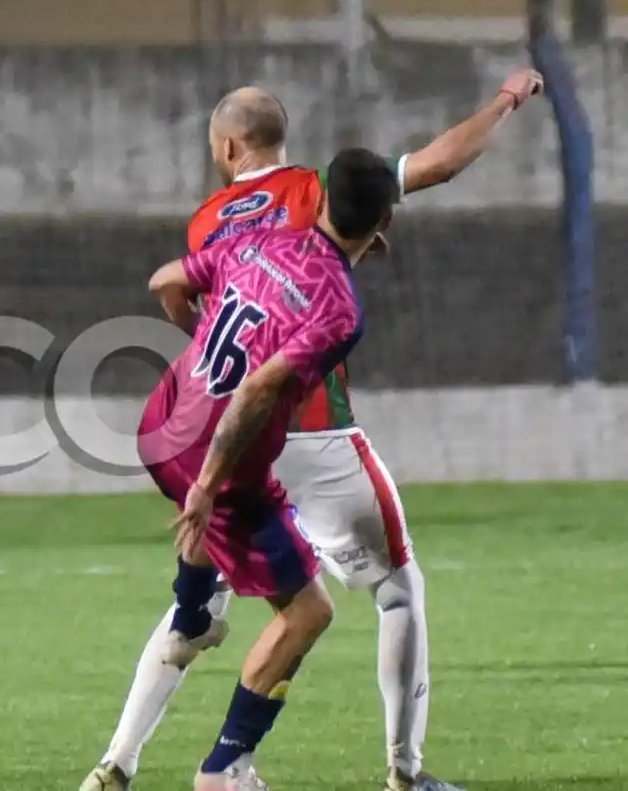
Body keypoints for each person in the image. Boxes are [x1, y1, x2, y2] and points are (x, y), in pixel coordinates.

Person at [82, 70, 543, 791]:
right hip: (306, 430)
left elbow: (181, 286)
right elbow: (442, 161)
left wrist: (201, 344)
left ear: (228, 146)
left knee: (197, 606)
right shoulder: (317, 191)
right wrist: (508, 98)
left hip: (205, 426)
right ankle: (403, 773)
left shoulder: (210, 222)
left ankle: (119, 759)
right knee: (395, 591)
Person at [146, 147, 396, 790]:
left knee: (239, 518)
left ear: (318, 198)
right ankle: (225, 767)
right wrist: (206, 487)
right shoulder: (339, 310)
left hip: (160, 426)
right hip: (218, 468)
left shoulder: (259, 240)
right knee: (308, 612)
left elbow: (165, 282)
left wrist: (200, 337)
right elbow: (258, 393)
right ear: (383, 222)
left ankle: (192, 613)